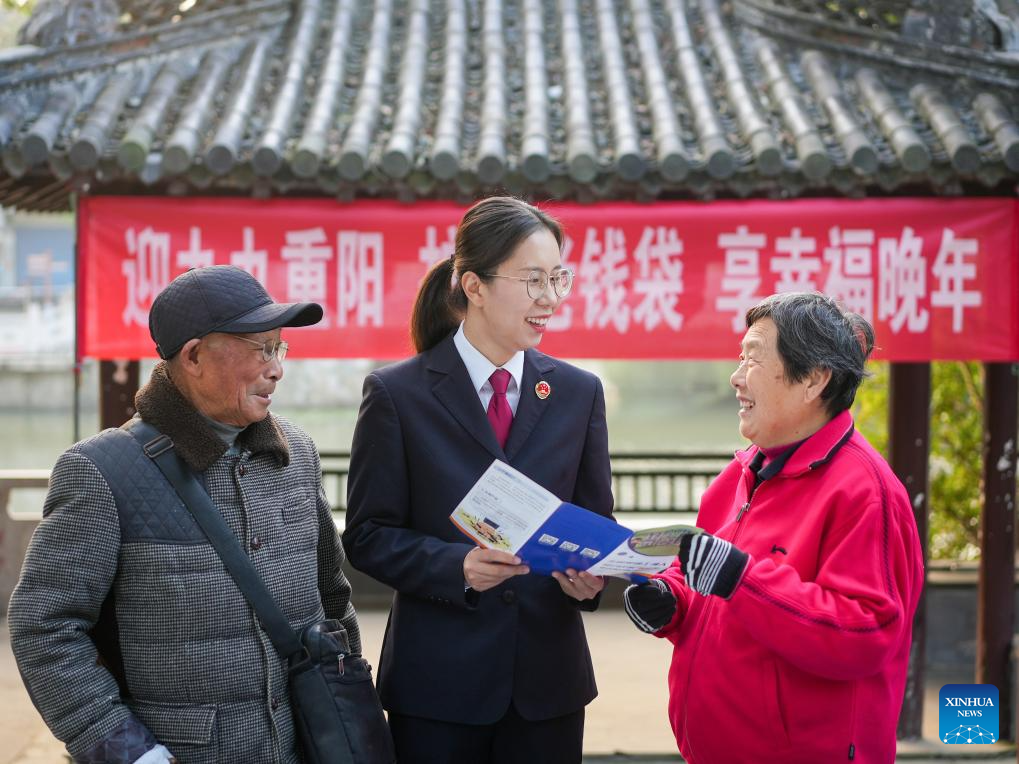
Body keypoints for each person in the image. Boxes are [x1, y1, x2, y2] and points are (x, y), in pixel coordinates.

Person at [9, 265, 362, 764]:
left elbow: (332, 597)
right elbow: (44, 628)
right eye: (261, 348)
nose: (277, 368)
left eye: (278, 348)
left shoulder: (296, 454)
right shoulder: (100, 471)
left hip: (302, 744)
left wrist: (346, 702)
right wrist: (129, 752)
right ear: (194, 356)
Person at [343, 196, 613, 764]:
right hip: (439, 684)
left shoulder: (578, 392)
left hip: (548, 683)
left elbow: (595, 522)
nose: (550, 298)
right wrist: (456, 567)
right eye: (533, 279)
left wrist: (591, 577)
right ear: (473, 285)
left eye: (558, 278)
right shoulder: (398, 394)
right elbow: (367, 535)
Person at [623, 292, 924, 764]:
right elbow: (710, 581)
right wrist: (672, 603)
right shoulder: (739, 475)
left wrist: (743, 579)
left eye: (753, 359)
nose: (736, 377)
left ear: (814, 380)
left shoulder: (866, 491)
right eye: (740, 357)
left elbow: (866, 635)